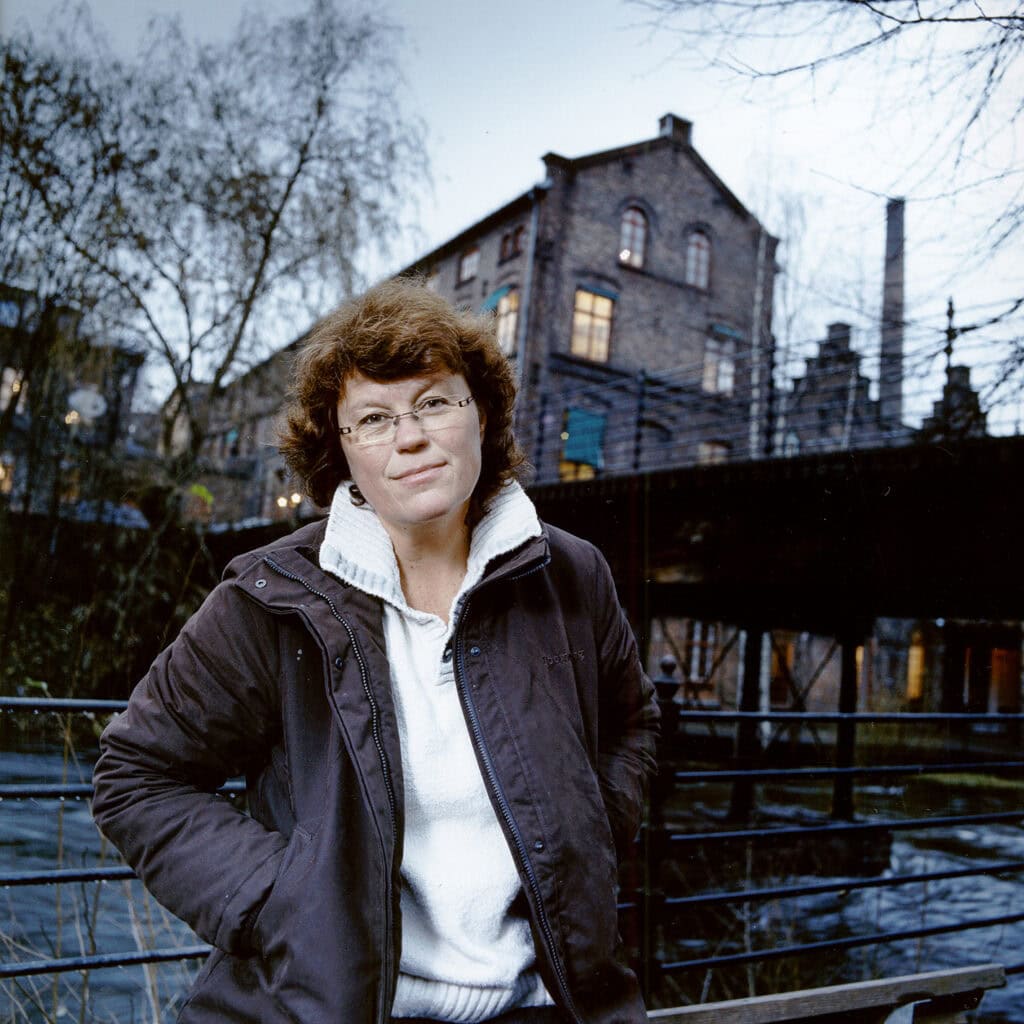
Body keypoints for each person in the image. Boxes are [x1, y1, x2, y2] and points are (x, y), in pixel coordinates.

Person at [92, 278, 659, 1024]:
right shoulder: (270, 600)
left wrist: (585, 838)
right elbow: (136, 776)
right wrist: (289, 900)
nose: (410, 437)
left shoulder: (570, 575)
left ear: (480, 415)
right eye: (373, 419)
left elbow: (633, 724)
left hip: (544, 1007)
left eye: (433, 402)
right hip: (326, 1008)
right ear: (342, 449)